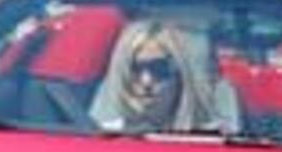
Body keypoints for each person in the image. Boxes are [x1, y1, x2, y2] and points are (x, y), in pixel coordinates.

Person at [91, 19, 239, 135]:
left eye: (159, 68)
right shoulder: (95, 136)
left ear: (182, 76)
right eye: (134, 68)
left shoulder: (215, 140)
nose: (146, 80)